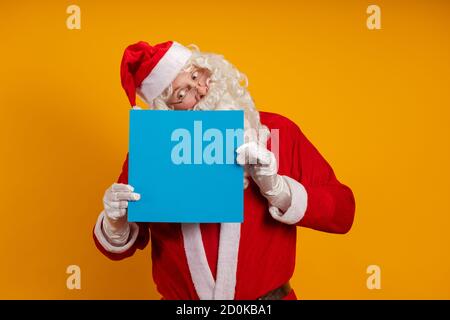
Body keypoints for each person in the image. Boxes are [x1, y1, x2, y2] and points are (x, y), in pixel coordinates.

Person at [93, 40, 356, 300]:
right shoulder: (151, 152)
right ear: (167, 112)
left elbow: (343, 212)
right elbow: (118, 249)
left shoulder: (279, 132)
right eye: (181, 95)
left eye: (196, 75)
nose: (201, 89)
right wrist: (115, 221)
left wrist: (280, 191)